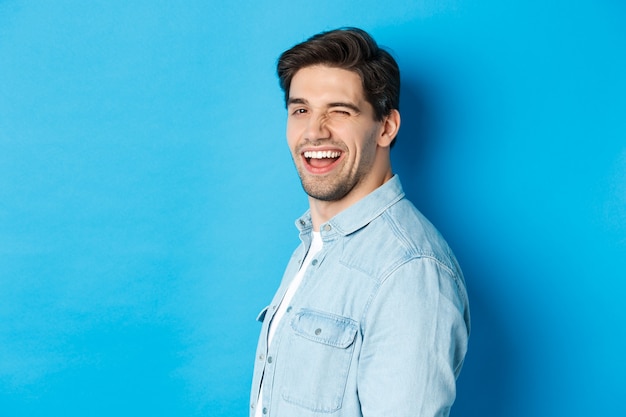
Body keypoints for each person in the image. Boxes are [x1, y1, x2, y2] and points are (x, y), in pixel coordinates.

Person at [250, 27, 470, 417]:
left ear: (386, 126)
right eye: (301, 110)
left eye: (339, 110)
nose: (314, 131)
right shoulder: (315, 246)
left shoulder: (410, 272)